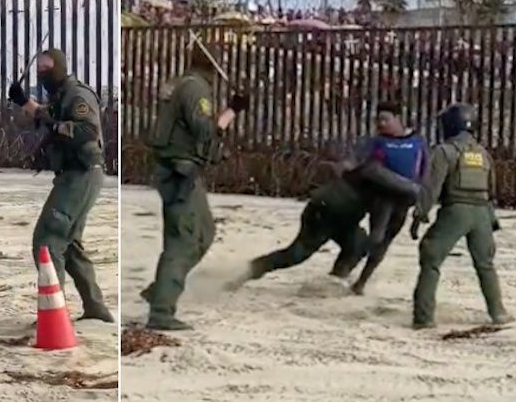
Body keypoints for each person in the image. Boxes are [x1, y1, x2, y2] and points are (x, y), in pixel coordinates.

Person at [226, 111, 422, 291]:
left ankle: (333, 283)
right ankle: (245, 272)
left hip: (339, 213)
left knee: (356, 245)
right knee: (297, 254)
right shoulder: (379, 176)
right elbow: (380, 234)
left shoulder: (377, 168)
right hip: (329, 209)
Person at [139, 40, 249, 331]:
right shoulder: (196, 88)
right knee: (183, 240)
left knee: (206, 233)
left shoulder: (180, 83)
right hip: (179, 172)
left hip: (181, 170)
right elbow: (203, 129)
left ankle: (160, 289)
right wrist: (231, 111)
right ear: (213, 67)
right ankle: (161, 311)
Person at [7, 49, 113, 323]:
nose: (42, 73)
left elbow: (86, 131)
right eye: (39, 69)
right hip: (75, 175)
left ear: (61, 67)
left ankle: (53, 315)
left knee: (48, 238)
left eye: (47, 67)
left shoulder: (78, 95)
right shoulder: (60, 96)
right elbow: (43, 115)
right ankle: (96, 309)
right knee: (70, 244)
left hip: (82, 174)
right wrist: (23, 101)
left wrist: (54, 128)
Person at [409, 103, 513, 329]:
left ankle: (423, 317)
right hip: (482, 213)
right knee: (485, 264)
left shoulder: (445, 151)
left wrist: (420, 214)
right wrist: (490, 218)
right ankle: (498, 312)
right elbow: (491, 187)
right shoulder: (482, 153)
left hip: (456, 210)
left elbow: (431, 187)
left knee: (431, 257)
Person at [345, 102, 428, 294]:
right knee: (377, 236)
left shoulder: (417, 142)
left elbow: (425, 170)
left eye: (386, 119)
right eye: (378, 120)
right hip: (382, 196)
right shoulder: (377, 142)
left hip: (405, 199)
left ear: (398, 119)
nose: (381, 124)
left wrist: (422, 201)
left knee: (385, 241)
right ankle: (348, 266)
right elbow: (360, 163)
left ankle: (361, 281)